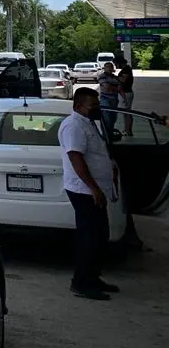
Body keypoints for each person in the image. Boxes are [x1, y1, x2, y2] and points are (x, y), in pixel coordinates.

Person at [57, 88, 120, 300]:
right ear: (78, 106)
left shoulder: (88, 122)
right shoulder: (74, 126)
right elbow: (76, 159)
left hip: (95, 189)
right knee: (89, 238)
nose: (97, 109)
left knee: (100, 236)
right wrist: (93, 188)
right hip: (84, 190)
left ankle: (93, 277)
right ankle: (81, 282)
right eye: (93, 105)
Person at [96, 62, 122, 136]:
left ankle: (110, 133)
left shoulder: (115, 77)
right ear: (104, 68)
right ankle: (105, 134)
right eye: (107, 67)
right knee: (106, 117)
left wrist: (115, 89)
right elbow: (107, 87)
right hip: (105, 98)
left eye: (111, 67)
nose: (109, 69)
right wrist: (116, 88)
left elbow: (120, 87)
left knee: (113, 118)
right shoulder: (102, 76)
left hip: (114, 99)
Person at [114, 51, 135, 136]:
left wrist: (114, 77)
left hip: (127, 93)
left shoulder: (126, 69)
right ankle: (127, 130)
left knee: (127, 113)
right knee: (125, 113)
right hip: (126, 92)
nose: (115, 65)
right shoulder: (126, 69)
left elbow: (123, 80)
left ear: (119, 63)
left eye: (115, 63)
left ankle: (127, 130)